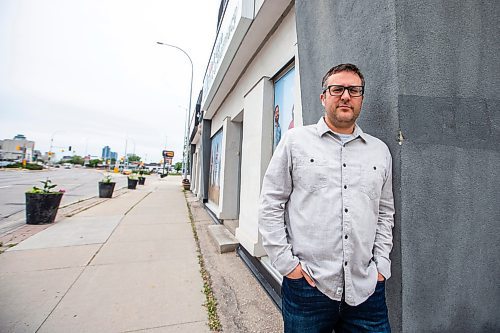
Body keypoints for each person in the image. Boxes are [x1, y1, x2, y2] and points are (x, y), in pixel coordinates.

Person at [259, 63, 395, 332]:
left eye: (354, 90)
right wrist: (288, 266)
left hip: (366, 289)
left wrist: (381, 266)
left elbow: (385, 212)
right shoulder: (294, 142)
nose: (346, 96)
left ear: (361, 98)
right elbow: (271, 204)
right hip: (308, 287)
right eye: (337, 89)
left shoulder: (380, 151)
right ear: (323, 97)